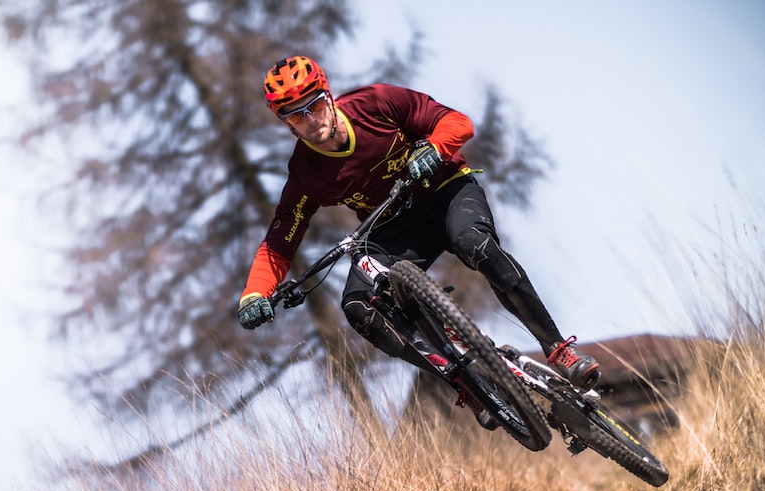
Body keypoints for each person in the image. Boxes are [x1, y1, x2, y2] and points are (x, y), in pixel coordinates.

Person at [237, 55, 600, 391]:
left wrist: (435, 147)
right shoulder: (305, 173)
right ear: (286, 124)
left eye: (314, 106)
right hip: (392, 227)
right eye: (297, 116)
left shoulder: (376, 102)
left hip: (446, 192)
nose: (311, 120)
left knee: (476, 245)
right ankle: (466, 384)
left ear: (328, 97)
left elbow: (457, 122)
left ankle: (558, 351)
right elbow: (280, 241)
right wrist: (255, 292)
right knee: (358, 307)